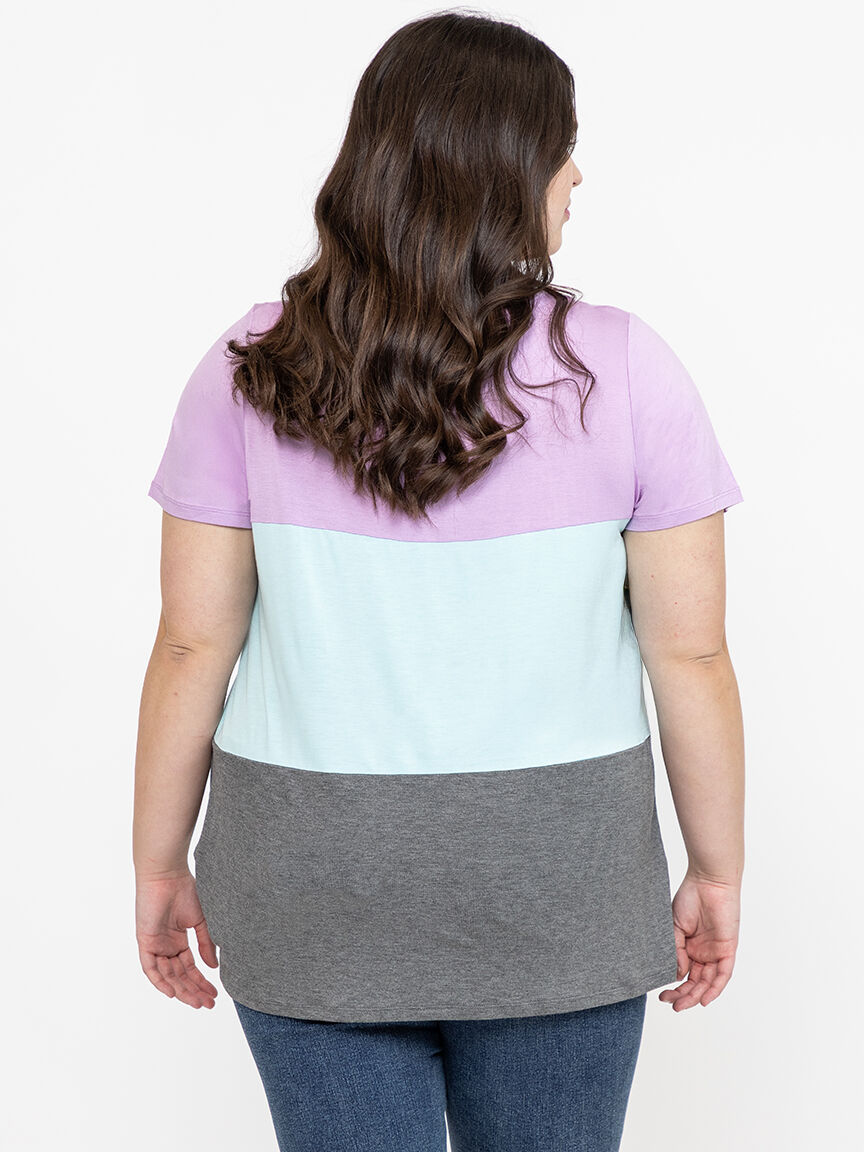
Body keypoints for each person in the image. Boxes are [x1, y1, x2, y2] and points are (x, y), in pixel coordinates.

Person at [133, 11, 745, 1152]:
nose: (577, 177)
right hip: (559, 884)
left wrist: (157, 860)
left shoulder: (251, 370)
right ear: (505, 168)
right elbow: (691, 653)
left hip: (308, 882)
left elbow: (191, 644)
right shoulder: (623, 366)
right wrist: (716, 869)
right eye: (563, 149)